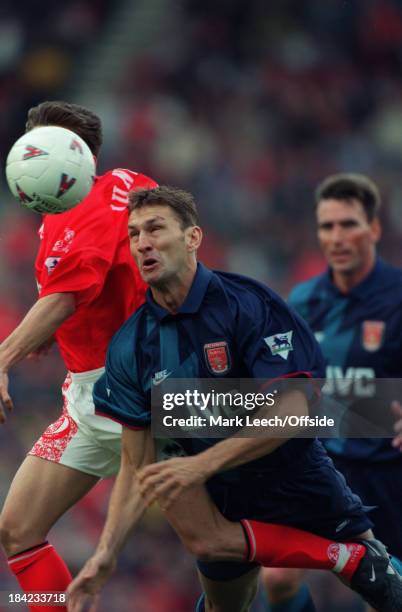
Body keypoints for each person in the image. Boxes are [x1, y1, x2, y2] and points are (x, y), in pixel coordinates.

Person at [67, 185, 402, 612]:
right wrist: (105, 556)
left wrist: (201, 462)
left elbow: (296, 411)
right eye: (134, 235)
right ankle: (343, 559)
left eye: (155, 228)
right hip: (220, 497)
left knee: (387, 592)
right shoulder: (130, 346)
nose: (143, 242)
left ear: (193, 238)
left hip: (295, 475)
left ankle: (351, 557)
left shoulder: (248, 303)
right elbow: (138, 463)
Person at [0, 100, 158, 612]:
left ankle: (349, 556)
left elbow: (68, 293)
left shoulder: (104, 196)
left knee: (217, 543)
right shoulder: (73, 204)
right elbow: (86, 288)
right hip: (87, 400)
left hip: (141, 390)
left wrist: (2, 359)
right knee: (17, 530)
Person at [262, 173, 402, 611]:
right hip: (322, 466)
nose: (337, 237)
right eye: (327, 226)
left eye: (348, 224)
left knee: (382, 595)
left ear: (374, 229)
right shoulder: (303, 301)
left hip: (386, 471)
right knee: (277, 577)